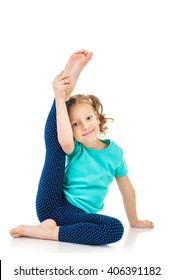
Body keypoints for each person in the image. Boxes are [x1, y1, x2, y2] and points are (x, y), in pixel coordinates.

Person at [10, 50, 154, 245]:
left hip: (76, 218)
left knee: (115, 228)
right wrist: (61, 100)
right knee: (56, 147)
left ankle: (49, 232)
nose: (84, 126)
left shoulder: (115, 154)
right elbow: (64, 142)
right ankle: (63, 92)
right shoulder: (75, 147)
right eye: (75, 124)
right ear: (71, 129)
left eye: (88, 118)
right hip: (51, 204)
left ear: (97, 116)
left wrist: (134, 220)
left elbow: (127, 189)